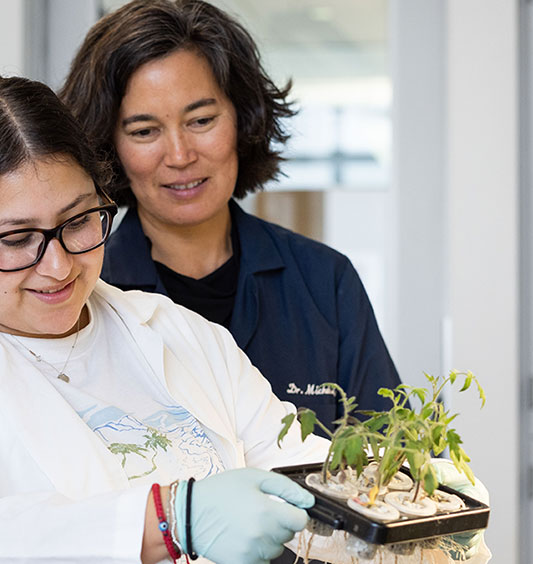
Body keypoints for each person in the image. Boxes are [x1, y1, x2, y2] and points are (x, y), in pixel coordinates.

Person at [0, 70, 335, 564]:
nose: (58, 266)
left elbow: (307, 473)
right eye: (16, 240)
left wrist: (397, 485)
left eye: (78, 221)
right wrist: (169, 520)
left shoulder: (178, 331)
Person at [59, 0, 402, 422]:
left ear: (243, 118)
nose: (180, 155)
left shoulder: (324, 283)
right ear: (108, 145)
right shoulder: (76, 290)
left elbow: (393, 466)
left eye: (201, 120)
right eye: (145, 131)